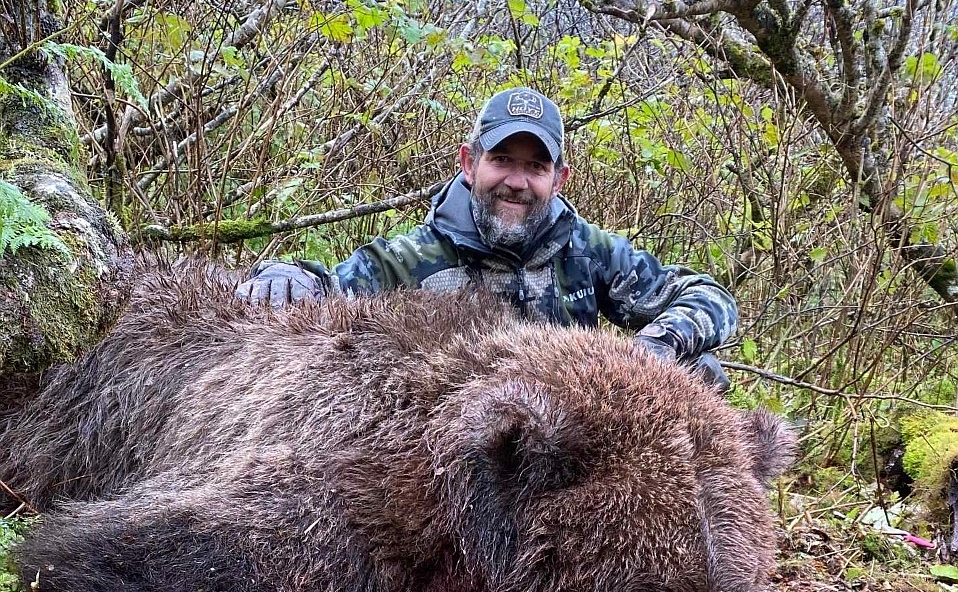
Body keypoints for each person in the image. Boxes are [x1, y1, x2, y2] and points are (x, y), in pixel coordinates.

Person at [237, 88, 736, 386]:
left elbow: (708, 297)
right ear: (470, 163)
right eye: (502, 161)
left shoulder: (591, 253)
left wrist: (657, 346)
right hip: (460, 450)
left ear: (559, 179)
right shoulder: (413, 260)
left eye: (535, 166)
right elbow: (329, 292)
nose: (517, 182)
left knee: (702, 371)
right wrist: (285, 276)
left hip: (568, 432)